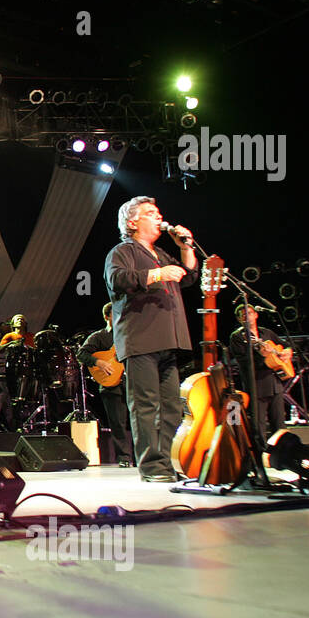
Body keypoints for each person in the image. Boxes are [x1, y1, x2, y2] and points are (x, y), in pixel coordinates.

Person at [105, 196, 197, 482]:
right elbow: (117, 279)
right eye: (150, 213)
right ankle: (151, 467)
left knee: (171, 406)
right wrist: (157, 274)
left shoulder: (161, 253)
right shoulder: (122, 251)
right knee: (145, 405)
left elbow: (189, 277)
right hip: (141, 338)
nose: (159, 217)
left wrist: (185, 248)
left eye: (158, 212)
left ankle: (168, 463)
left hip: (168, 339)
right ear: (133, 223)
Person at [76, 302, 133, 466]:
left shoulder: (129, 333)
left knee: (139, 420)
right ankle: (124, 459)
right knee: (118, 423)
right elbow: (81, 354)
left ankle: (142, 457)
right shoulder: (99, 337)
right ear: (107, 317)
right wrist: (98, 362)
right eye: (115, 314)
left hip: (131, 382)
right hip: (111, 385)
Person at [228, 304, 288, 441]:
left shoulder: (266, 332)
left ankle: (281, 454)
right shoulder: (237, 337)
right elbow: (243, 361)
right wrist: (261, 355)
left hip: (275, 384)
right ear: (239, 319)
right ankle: (261, 458)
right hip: (257, 386)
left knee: (280, 426)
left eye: (249, 313)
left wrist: (287, 352)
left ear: (256, 315)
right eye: (243, 314)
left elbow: (286, 344)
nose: (247, 316)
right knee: (258, 428)